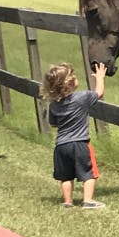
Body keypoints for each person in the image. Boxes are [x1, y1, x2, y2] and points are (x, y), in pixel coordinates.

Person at [40, 62, 107, 209]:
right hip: (80, 144)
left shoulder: (54, 105)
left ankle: (68, 202)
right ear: (70, 83)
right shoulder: (82, 97)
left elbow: (53, 124)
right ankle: (88, 200)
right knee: (89, 173)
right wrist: (100, 77)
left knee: (65, 176)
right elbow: (99, 93)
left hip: (61, 146)